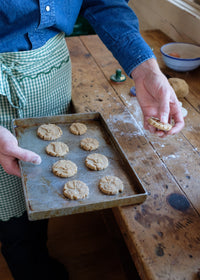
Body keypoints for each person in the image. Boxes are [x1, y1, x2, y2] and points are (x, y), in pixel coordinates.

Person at [0, 1, 184, 279]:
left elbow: (104, 1)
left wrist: (146, 69)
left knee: (42, 189)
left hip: (50, 76)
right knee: (12, 214)